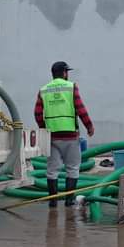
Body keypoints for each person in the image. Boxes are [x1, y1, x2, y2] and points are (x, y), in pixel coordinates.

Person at [35, 61, 95, 208]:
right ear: (64, 73)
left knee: (52, 169)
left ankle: (53, 201)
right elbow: (80, 108)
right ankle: (69, 200)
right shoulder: (71, 87)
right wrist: (89, 125)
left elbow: (37, 113)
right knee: (73, 168)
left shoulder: (43, 90)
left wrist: (44, 128)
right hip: (70, 136)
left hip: (52, 137)